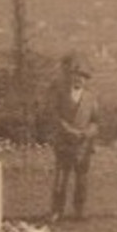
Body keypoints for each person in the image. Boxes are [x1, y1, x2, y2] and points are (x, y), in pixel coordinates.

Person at [45, 52, 99, 222]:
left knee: (81, 178)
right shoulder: (61, 95)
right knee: (61, 177)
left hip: (83, 145)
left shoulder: (91, 98)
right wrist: (69, 131)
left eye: (83, 77)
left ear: (86, 80)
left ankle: (79, 211)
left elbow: (96, 121)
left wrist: (87, 133)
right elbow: (55, 117)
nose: (79, 80)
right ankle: (56, 211)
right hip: (64, 143)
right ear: (71, 77)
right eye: (76, 76)